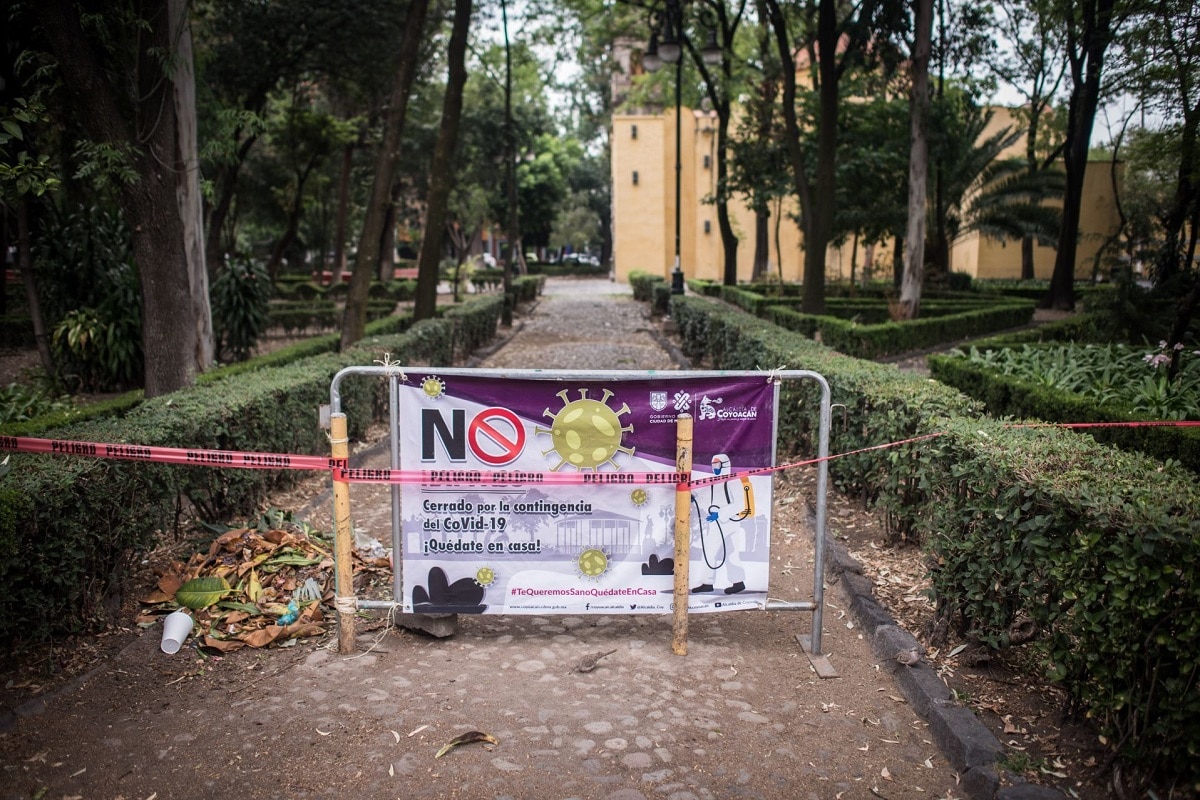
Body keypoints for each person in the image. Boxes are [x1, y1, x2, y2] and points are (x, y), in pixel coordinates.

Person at [691, 453, 753, 594]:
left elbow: (740, 503)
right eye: (713, 465)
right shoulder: (714, 482)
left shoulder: (732, 481)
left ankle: (711, 583)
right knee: (725, 552)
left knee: (716, 552)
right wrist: (694, 498)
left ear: (724, 465)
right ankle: (732, 582)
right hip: (717, 522)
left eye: (717, 465)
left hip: (728, 522)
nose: (714, 468)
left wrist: (719, 513)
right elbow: (708, 500)